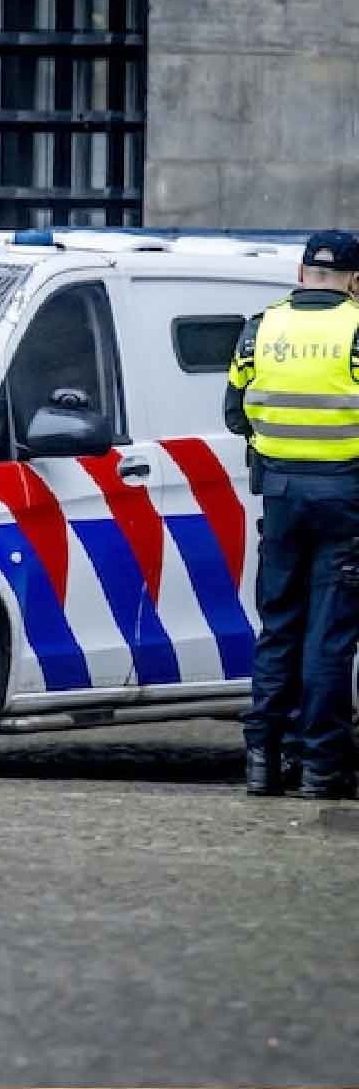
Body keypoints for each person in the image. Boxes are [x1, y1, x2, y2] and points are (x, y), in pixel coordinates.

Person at [225, 230, 359, 800]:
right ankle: (320, 766)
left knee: (279, 624)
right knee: (330, 633)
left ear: (304, 273)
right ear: (355, 279)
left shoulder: (261, 328)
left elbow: (235, 414)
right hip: (346, 497)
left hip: (278, 496)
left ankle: (262, 760)